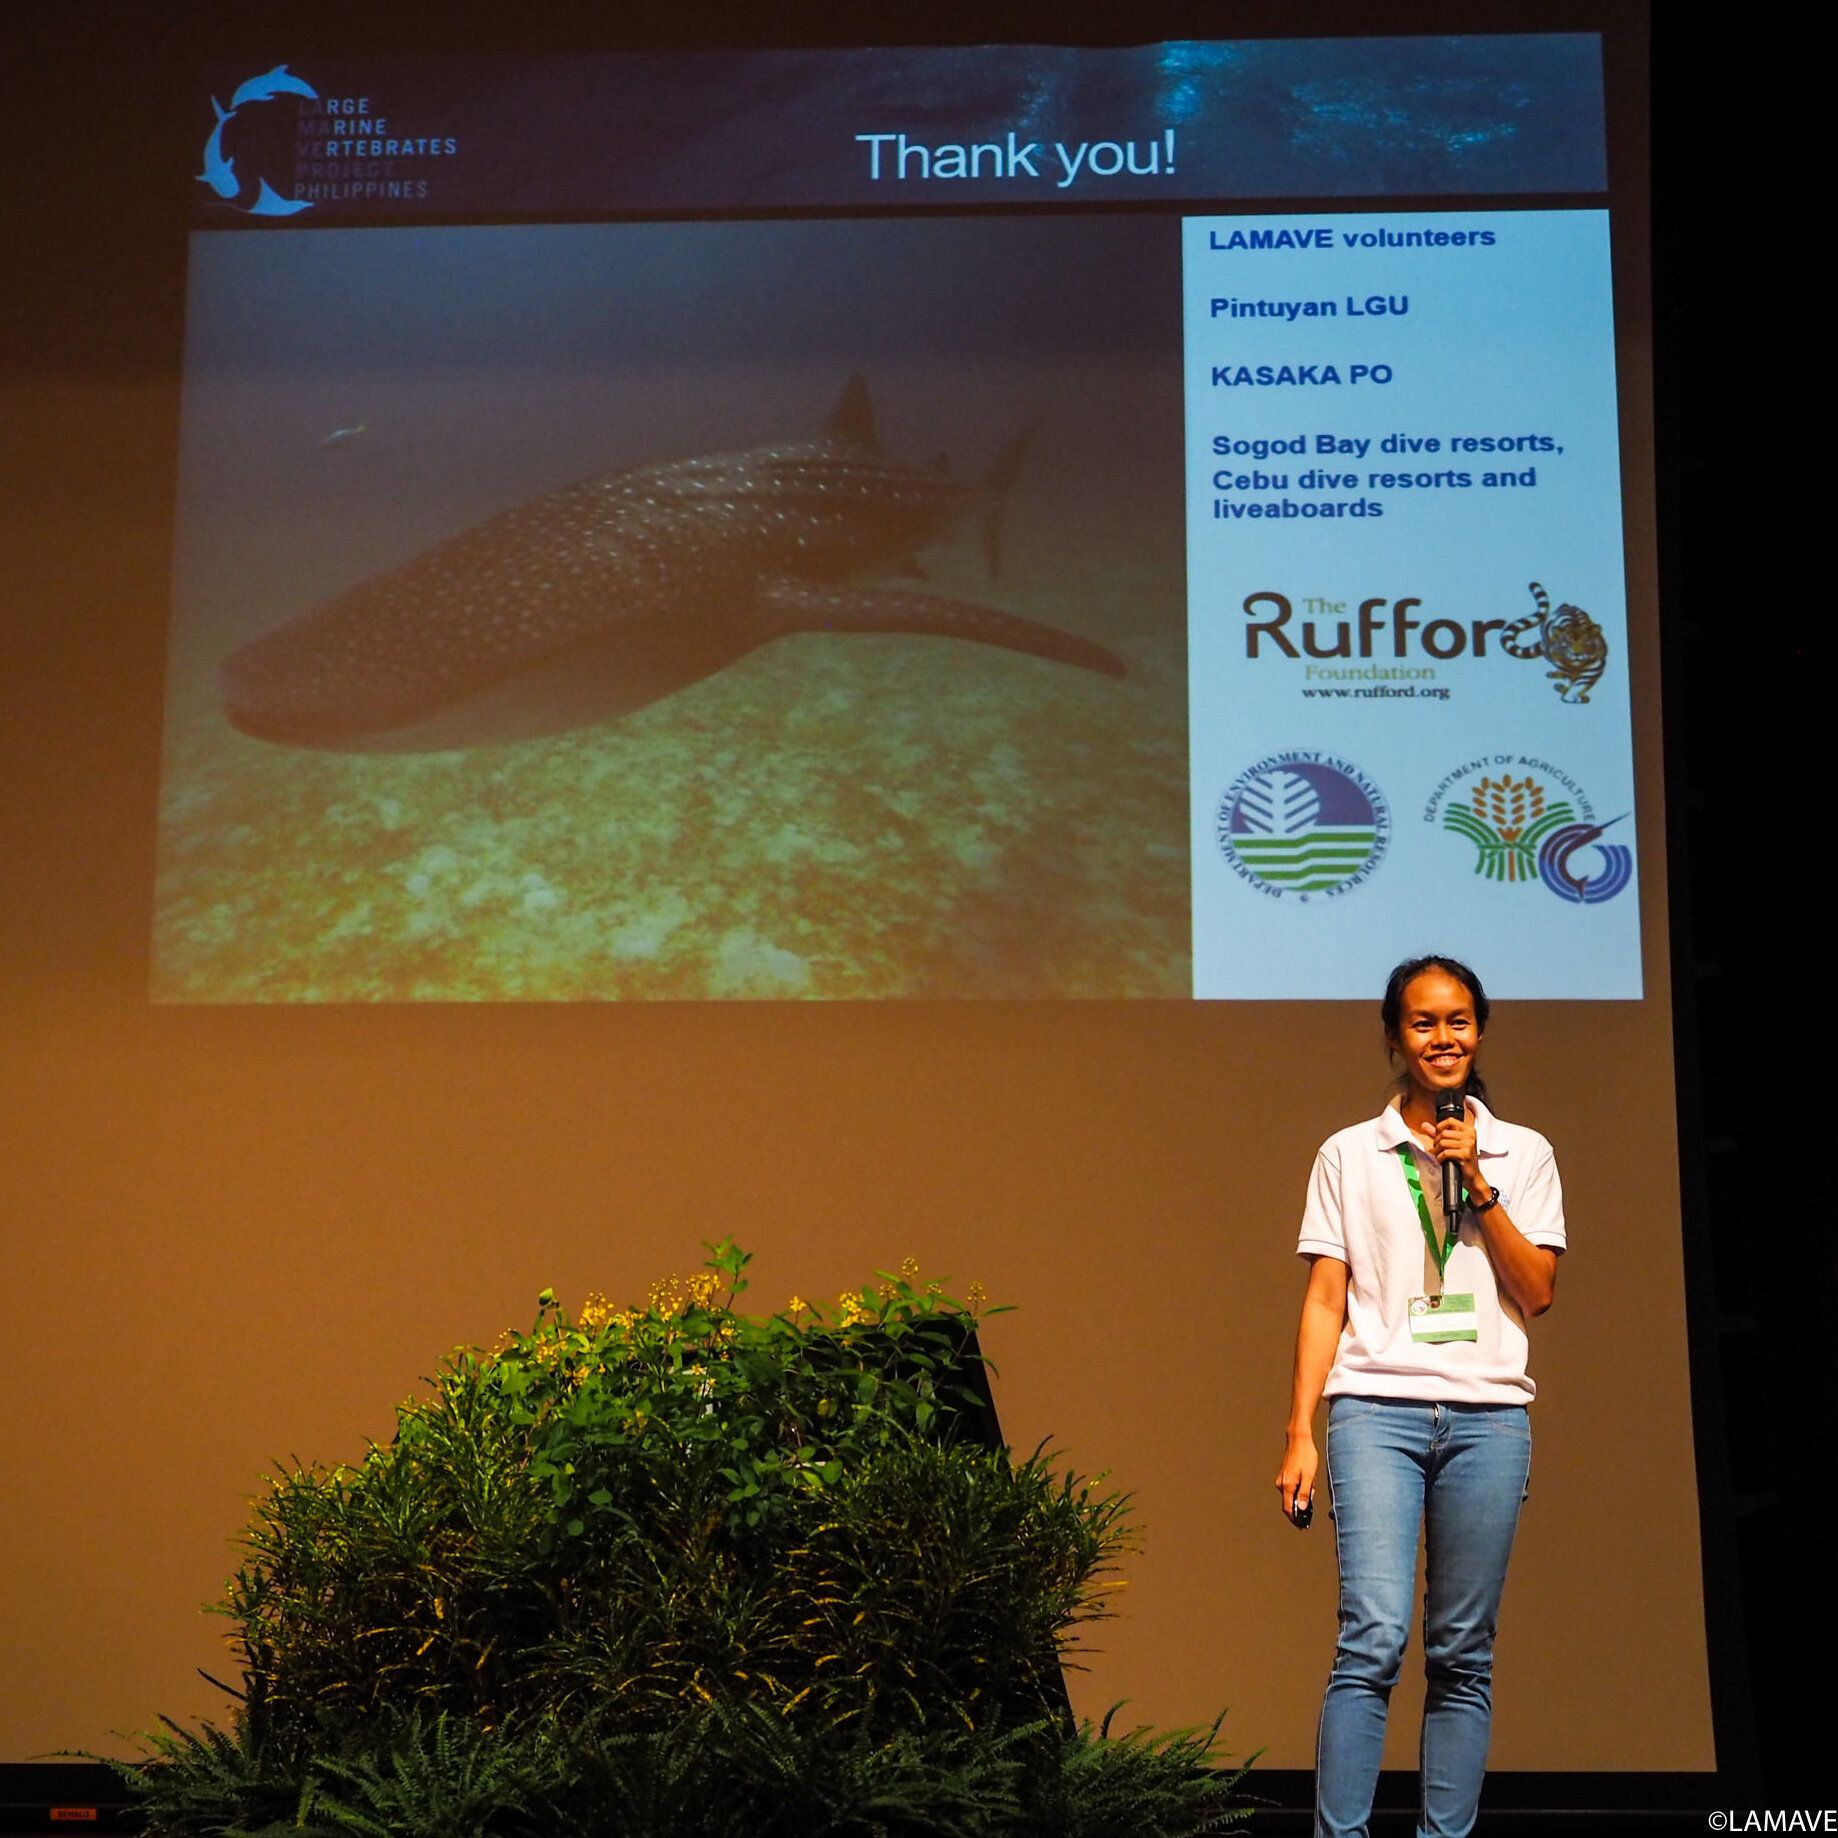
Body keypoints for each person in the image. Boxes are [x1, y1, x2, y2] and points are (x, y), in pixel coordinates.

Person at [1276, 955, 1565, 1838]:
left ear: (1479, 1032)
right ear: (1395, 1036)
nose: (1442, 1039)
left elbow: (1537, 1291)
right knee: (1372, 1639)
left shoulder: (1524, 1151)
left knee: (1462, 1656)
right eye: (1423, 1023)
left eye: (1458, 1022)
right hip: (1375, 1411)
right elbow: (1326, 1299)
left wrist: (1477, 1179)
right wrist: (1300, 1432)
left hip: (1488, 1418)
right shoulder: (1348, 1153)